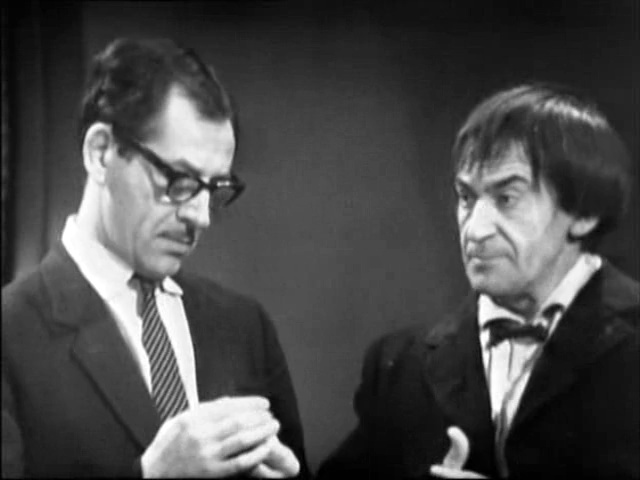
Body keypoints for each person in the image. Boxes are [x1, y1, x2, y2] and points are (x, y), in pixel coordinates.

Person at [2, 37, 308, 478]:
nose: (200, 216)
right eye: (179, 181)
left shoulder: (244, 326)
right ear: (101, 153)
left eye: (215, 189)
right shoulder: (11, 333)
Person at [317, 84, 639, 479]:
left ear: (584, 213)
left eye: (507, 199)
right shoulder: (400, 366)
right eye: (466, 198)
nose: (475, 230)